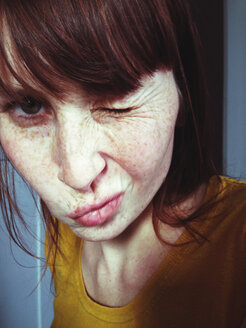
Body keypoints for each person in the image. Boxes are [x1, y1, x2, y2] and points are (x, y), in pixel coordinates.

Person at [0, 0, 245, 327]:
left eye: (115, 94)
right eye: (29, 106)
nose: (77, 175)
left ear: (181, 92)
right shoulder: (64, 233)